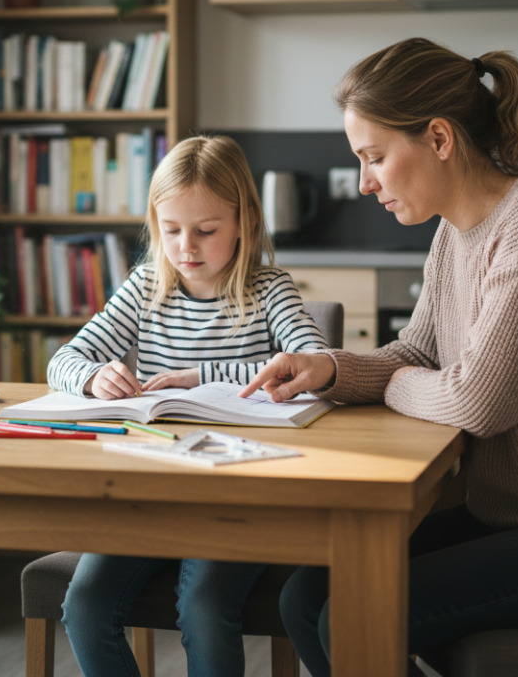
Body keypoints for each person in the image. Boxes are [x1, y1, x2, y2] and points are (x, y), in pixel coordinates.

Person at [241, 38, 518, 677]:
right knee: (306, 596)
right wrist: (336, 370)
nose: (365, 182)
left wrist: (397, 382)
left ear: (439, 138)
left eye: (375, 157)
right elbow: (418, 351)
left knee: (349, 614)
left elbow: (482, 401)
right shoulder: (455, 231)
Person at [48, 134, 329, 677]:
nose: (186, 248)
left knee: (203, 605)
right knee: (84, 605)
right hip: (154, 491)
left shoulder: (270, 289)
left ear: (244, 221)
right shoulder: (147, 286)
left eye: (205, 230)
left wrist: (201, 377)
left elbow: (311, 368)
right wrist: (94, 377)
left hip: (241, 496)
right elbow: (64, 359)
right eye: (171, 229)